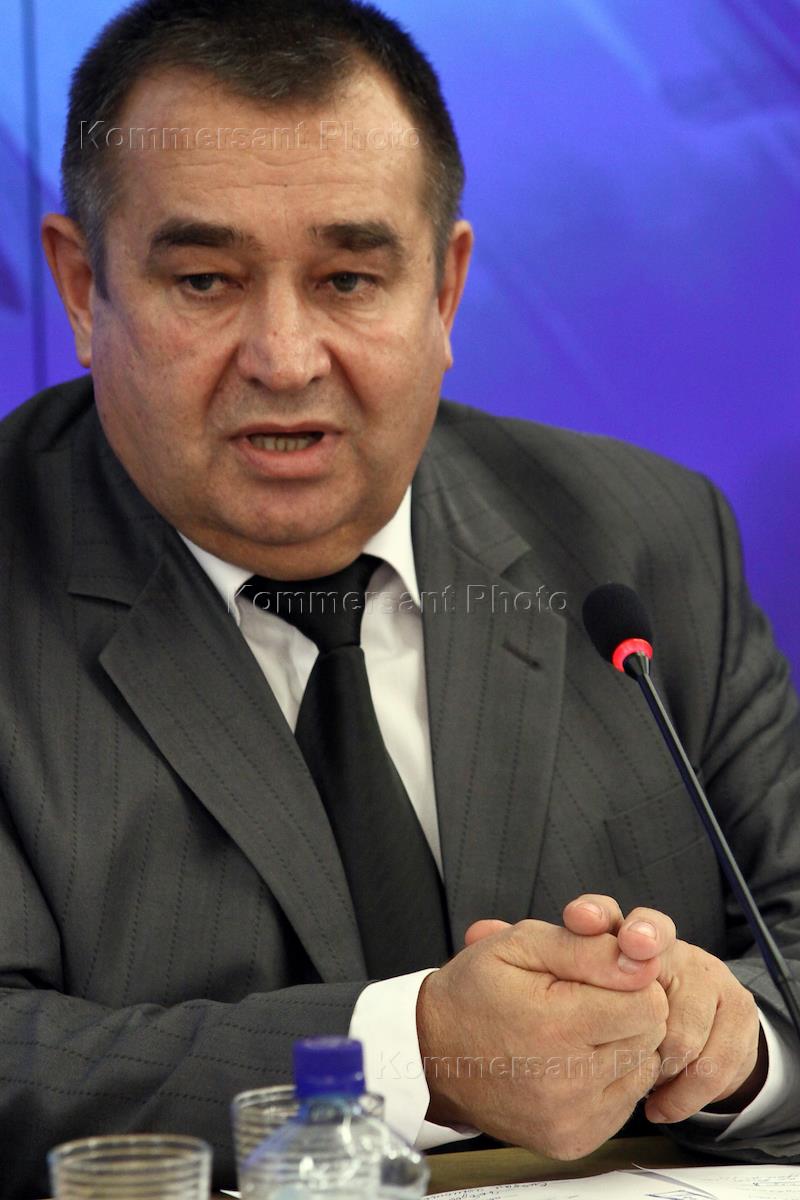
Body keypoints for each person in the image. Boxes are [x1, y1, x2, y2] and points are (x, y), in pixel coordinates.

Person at [1, 0, 799, 1194]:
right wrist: (414, 1057)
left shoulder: (643, 533)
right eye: (206, 280)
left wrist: (732, 1046)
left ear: (444, 289)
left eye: (348, 278)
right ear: (81, 287)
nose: (284, 359)